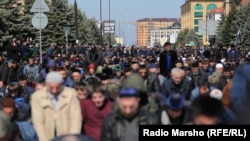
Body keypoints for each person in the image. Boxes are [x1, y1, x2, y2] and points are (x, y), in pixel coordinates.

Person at [31, 71, 82, 141]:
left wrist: (71, 138)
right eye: (51, 88)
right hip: (46, 135)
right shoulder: (37, 97)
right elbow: (38, 122)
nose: (54, 91)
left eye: (57, 87)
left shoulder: (71, 94)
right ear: (46, 84)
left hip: (66, 134)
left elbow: (76, 119)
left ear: (61, 84)